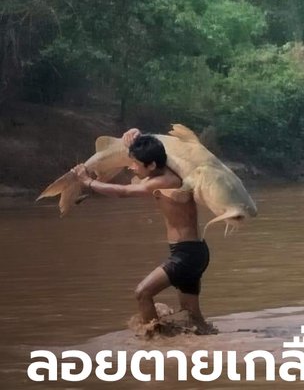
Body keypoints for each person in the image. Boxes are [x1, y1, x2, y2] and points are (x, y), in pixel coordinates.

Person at [71, 128, 212, 334]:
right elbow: (153, 153)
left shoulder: (166, 181)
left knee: (142, 293)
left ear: (152, 165)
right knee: (194, 319)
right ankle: (206, 342)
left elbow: (124, 192)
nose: (131, 168)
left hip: (187, 254)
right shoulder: (165, 173)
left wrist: (88, 181)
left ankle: (155, 341)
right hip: (193, 251)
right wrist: (135, 137)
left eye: (135, 164)